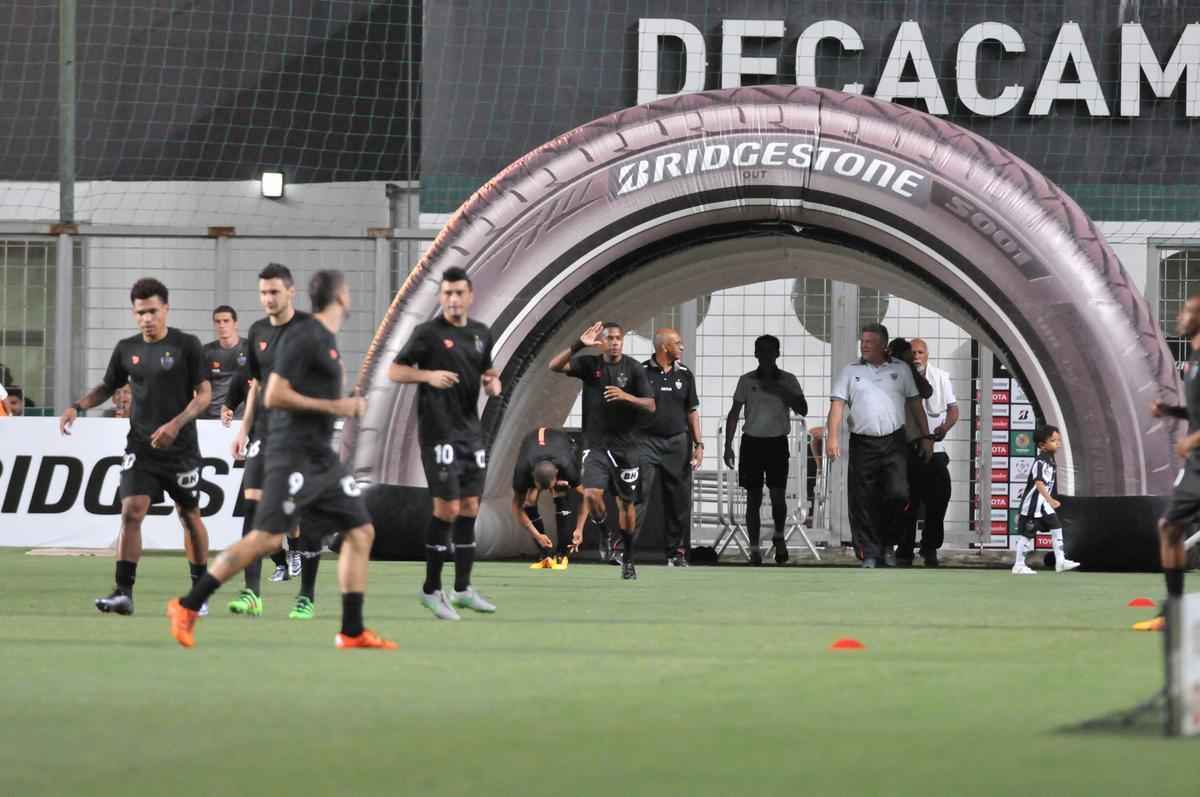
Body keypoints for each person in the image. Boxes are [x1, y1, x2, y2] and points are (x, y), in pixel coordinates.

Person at [167, 270, 396, 650]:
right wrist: (337, 405)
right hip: (292, 455)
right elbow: (273, 394)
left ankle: (352, 631)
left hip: (321, 458)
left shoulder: (323, 336)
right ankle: (188, 605)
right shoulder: (304, 336)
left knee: (361, 530)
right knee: (266, 538)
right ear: (341, 296)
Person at [59, 278, 212, 615]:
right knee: (131, 511)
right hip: (141, 447)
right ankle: (123, 592)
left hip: (181, 449)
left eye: (153, 311)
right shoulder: (127, 348)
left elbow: (204, 394)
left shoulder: (187, 345)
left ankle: (199, 590)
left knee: (189, 516)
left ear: (166, 309)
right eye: (141, 312)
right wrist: (77, 406)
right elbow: (107, 386)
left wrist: (176, 424)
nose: (147, 318)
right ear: (134, 312)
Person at [390, 266, 501, 620]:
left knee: (470, 507)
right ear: (441, 297)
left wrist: (492, 382)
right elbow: (394, 370)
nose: (452, 300)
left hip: (471, 432)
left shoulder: (481, 334)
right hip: (438, 432)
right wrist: (427, 375)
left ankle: (463, 589)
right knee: (447, 509)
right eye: (447, 294)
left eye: (458, 293)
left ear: (470, 296)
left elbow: (487, 370)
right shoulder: (428, 334)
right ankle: (430, 589)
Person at [227, 263, 309, 617]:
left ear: (291, 292)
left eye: (274, 291)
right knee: (252, 505)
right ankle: (251, 593)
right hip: (263, 432)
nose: (268, 298)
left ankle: (306, 593)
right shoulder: (258, 330)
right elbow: (255, 386)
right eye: (263, 292)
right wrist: (244, 429)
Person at [550, 321, 655, 579]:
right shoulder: (591, 365)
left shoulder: (633, 368)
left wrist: (626, 396)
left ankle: (628, 558)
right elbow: (554, 366)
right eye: (610, 338)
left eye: (619, 338)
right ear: (603, 341)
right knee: (592, 495)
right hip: (596, 446)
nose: (615, 342)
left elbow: (651, 404)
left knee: (626, 505)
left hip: (627, 448)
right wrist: (577, 345)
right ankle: (604, 532)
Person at [827, 323, 931, 568]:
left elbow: (916, 405)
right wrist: (832, 436)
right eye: (863, 341)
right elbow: (837, 407)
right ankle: (871, 553)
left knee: (899, 494)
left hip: (894, 441)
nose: (864, 345)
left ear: (883, 346)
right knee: (863, 499)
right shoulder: (850, 371)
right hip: (863, 443)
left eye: (870, 342)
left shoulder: (901, 369)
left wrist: (926, 437)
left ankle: (887, 542)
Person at [1136, 294, 1200, 633]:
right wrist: (1171, 413)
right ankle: (1173, 611)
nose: (1181, 317)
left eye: (1188, 312)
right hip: (1196, 467)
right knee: (1170, 528)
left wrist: (1192, 439)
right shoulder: (1192, 360)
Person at [723, 335, 807, 565]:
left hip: (776, 443)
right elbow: (734, 412)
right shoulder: (746, 380)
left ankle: (779, 536)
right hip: (752, 443)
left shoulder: (788, 380)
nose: (766, 355)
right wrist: (727, 445)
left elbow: (803, 408)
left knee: (778, 496)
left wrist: (781, 390)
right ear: (756, 354)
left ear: (777, 354)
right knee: (753, 498)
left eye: (771, 351)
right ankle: (754, 548)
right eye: (762, 351)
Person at [638, 328, 703, 567]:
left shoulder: (685, 375)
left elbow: (692, 411)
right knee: (637, 494)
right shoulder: (641, 372)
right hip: (646, 442)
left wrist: (699, 444)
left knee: (678, 499)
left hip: (677, 443)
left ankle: (676, 553)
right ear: (664, 347)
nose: (682, 347)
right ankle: (623, 549)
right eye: (678, 343)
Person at [891, 337, 952, 566]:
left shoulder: (931, 376)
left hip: (927, 445)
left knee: (939, 494)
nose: (914, 357)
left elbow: (926, 392)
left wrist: (931, 436)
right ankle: (904, 548)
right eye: (910, 353)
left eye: (918, 353)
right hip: (901, 446)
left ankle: (929, 546)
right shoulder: (889, 375)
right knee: (907, 501)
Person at [511, 427, 585, 569]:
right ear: (532, 476)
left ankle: (562, 554)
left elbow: (587, 497)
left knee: (560, 491)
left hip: (564, 444)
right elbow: (516, 507)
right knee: (529, 501)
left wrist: (579, 528)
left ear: (557, 474)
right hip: (531, 444)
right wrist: (537, 535)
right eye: (539, 487)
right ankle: (544, 554)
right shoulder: (523, 470)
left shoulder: (566, 466)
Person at [1012, 424, 1080, 575]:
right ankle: (1018, 564)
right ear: (1042, 445)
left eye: (1058, 440)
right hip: (1033, 506)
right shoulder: (1041, 461)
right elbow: (1039, 483)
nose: (1058, 443)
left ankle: (1060, 561)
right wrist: (1050, 500)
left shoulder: (1050, 460)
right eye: (1054, 441)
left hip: (1044, 506)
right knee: (1027, 535)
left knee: (1057, 527)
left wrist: (1050, 500)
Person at [202, 305, 249, 420]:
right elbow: (198, 389)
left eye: (226, 321)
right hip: (213, 418)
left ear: (235, 323)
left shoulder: (250, 349)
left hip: (242, 418)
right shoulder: (206, 352)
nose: (222, 325)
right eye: (218, 322)